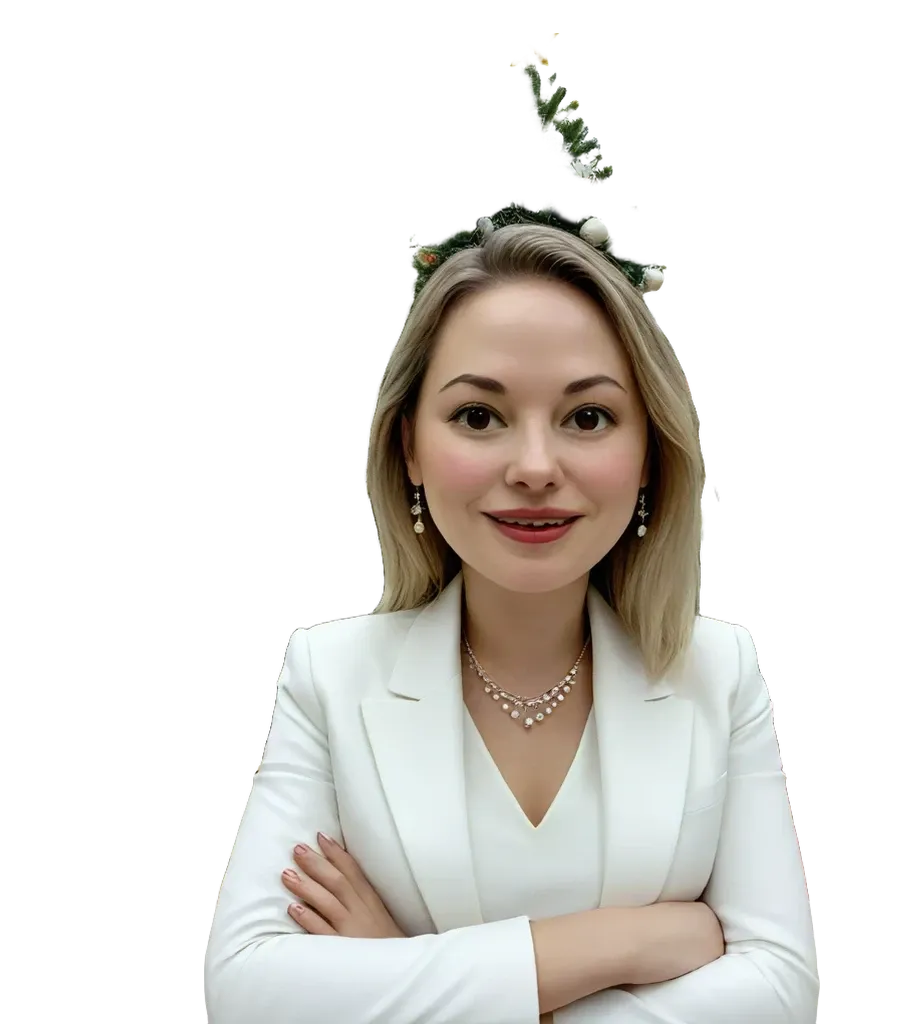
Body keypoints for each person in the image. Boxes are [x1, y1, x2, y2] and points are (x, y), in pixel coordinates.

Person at [204, 223, 819, 1023]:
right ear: (409, 449)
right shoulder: (331, 674)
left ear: (652, 453)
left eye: (589, 417)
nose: (534, 466)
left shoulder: (719, 669)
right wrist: (632, 943)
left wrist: (398, 967)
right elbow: (246, 991)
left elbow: (782, 992)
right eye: (479, 416)